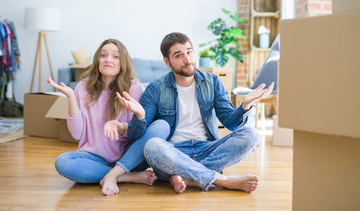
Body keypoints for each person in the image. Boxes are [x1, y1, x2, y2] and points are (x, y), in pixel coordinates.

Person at [122, 32, 274, 194]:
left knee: (252, 134)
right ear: (167, 61)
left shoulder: (212, 81)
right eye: (179, 55)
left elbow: (230, 122)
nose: (187, 59)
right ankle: (221, 180)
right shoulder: (155, 89)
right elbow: (137, 137)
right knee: (152, 146)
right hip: (173, 152)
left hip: (207, 148)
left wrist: (245, 104)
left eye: (189, 52)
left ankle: (185, 176)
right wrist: (140, 116)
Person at [47, 39, 169, 196]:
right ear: (98, 60)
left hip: (128, 158)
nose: (108, 60)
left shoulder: (133, 87)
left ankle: (116, 173)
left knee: (161, 126)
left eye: (115, 56)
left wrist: (122, 126)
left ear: (123, 62)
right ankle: (124, 177)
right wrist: (71, 96)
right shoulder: (82, 87)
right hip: (94, 157)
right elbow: (77, 134)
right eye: (103, 55)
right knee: (62, 162)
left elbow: (136, 134)